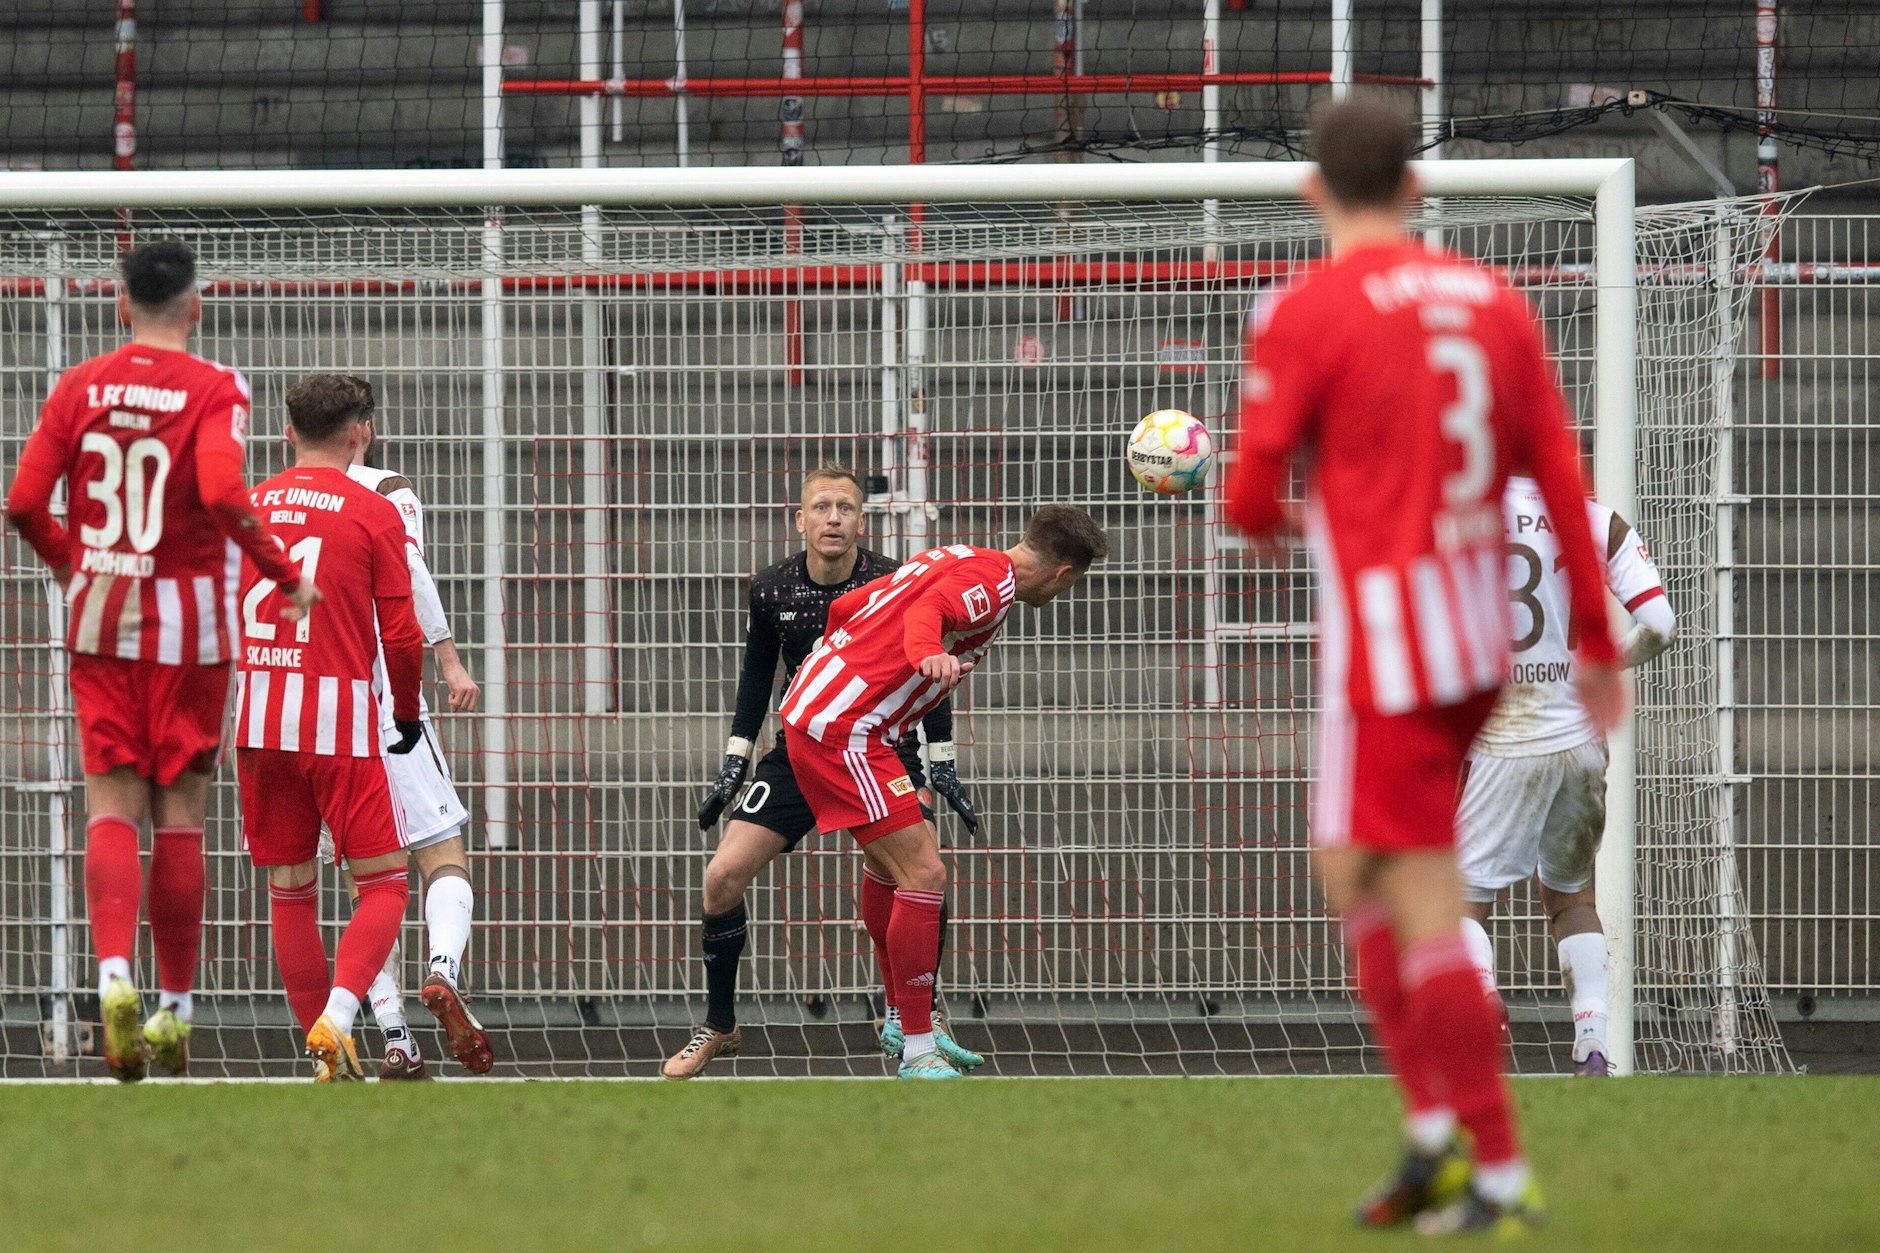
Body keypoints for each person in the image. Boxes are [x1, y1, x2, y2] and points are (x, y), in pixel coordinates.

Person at [1225, 95, 1625, 1235]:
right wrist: (1595, 646)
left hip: (1385, 652)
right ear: (1412, 188)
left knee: (1394, 892)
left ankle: (1477, 1154)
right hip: (1479, 657)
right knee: (1361, 869)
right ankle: (1439, 1140)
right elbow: (1555, 470)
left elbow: (1252, 504)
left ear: (1314, 192)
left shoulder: (1300, 310)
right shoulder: (1491, 301)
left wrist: (1280, 490)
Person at [4, 239, 315, 1081]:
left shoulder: (80, 386)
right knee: (181, 816)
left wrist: (76, 564)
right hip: (192, 636)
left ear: (120, 308)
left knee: (110, 804)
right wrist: (284, 573)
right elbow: (220, 488)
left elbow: (25, 502)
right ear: (196, 308)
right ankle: (174, 1012)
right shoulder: (216, 388)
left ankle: (113, 981)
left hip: (102, 621)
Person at [667, 464, 981, 1079]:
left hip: (877, 747)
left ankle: (917, 1014)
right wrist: (735, 760)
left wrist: (938, 762)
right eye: (821, 507)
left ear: (861, 522)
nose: (832, 518)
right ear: (801, 520)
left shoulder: (893, 580)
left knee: (915, 873)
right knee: (721, 876)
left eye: (844, 508)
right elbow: (758, 676)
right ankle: (720, 1026)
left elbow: (931, 672)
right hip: (800, 750)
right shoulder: (772, 588)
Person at [779, 505, 1109, 1079]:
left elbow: (847, 606)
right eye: (1073, 582)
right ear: (1062, 574)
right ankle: (916, 1047)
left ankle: (902, 1018)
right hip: (847, 730)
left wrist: (845, 661)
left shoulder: (960, 555)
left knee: (890, 871)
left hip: (840, 716)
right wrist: (923, 654)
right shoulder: (993, 585)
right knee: (926, 874)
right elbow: (929, 612)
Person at [234, 374, 425, 1082]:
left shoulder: (251, 506)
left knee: (291, 890)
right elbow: (401, 636)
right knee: (384, 885)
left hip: (258, 717)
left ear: (288, 435)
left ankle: (325, 1064)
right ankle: (339, 1019)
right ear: (362, 432)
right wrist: (404, 711)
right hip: (337, 721)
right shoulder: (373, 512)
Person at [1455, 477, 1676, 1076]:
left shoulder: (1458, 513)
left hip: (1506, 733)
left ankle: (1482, 1007)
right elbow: (1661, 623)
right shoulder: (1598, 521)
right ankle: (1594, 1045)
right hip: (1581, 739)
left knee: (1461, 898)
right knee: (1570, 895)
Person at [333, 377, 491, 1080]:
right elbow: (411, 573)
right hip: (383, 697)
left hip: (307, 712)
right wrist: (450, 658)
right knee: (442, 855)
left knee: (367, 881)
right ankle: (442, 967)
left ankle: (393, 1034)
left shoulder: (277, 497)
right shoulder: (387, 488)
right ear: (364, 428)